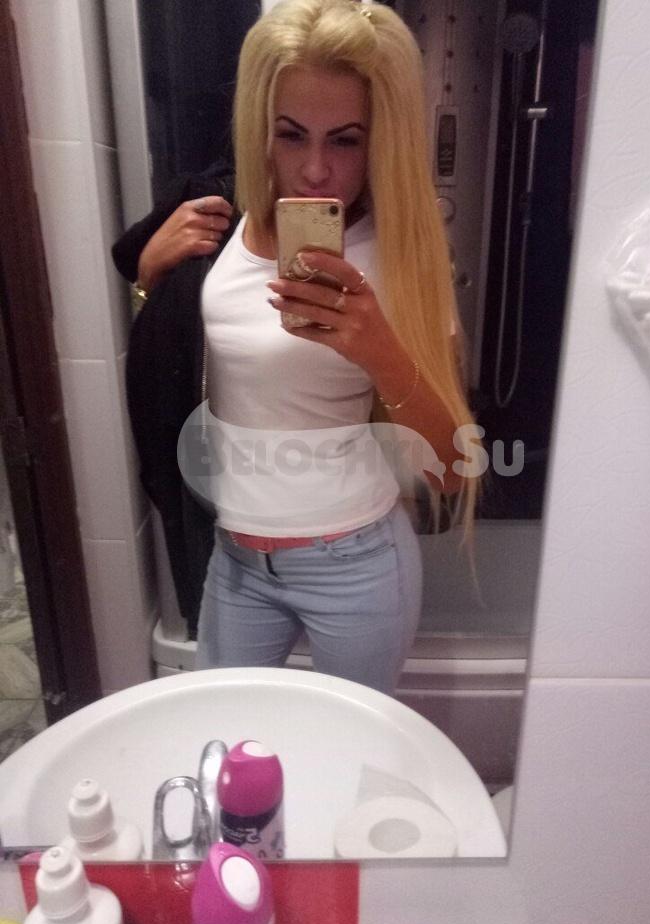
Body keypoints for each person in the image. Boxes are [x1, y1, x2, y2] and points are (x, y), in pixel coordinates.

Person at [113, 0, 478, 694]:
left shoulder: (402, 257)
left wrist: (379, 350)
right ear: (262, 127)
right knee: (227, 735)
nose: (314, 170)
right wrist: (150, 283)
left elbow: (454, 470)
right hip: (237, 560)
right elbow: (167, 371)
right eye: (291, 135)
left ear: (381, 140)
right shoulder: (216, 227)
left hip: (356, 563)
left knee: (346, 749)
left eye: (345, 140)